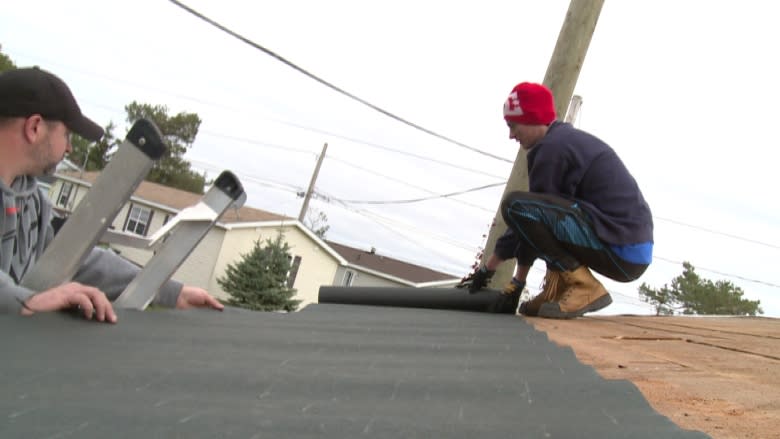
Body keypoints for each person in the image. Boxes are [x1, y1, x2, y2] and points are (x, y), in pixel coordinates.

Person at [0, 67, 224, 323]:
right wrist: (25, 302)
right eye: (67, 134)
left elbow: (69, 258)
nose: (71, 147)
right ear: (35, 127)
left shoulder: (31, 201)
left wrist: (171, 291)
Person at [459, 82, 653, 319]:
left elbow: (527, 218)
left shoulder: (553, 149)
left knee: (515, 204)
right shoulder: (561, 142)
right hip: (627, 247)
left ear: (532, 118)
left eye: (512, 125)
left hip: (622, 245)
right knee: (529, 211)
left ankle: (584, 286)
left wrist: (489, 269)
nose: (510, 135)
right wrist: (516, 283)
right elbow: (533, 228)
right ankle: (557, 289)